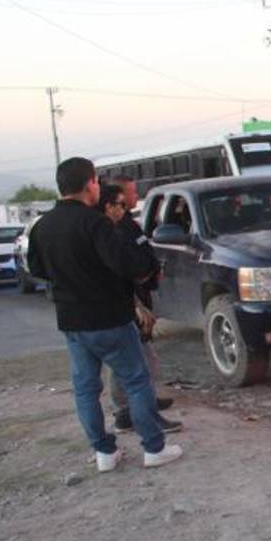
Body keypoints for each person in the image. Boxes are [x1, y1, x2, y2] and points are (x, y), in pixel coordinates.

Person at [28, 158, 183, 472]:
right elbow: (128, 264)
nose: (98, 187)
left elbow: (38, 270)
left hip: (72, 322)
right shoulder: (95, 223)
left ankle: (104, 454)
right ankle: (154, 448)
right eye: (97, 182)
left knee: (86, 389)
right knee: (137, 382)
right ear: (89, 184)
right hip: (109, 318)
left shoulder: (43, 226)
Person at [97, 181, 182, 434]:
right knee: (136, 364)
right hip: (125, 306)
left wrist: (152, 273)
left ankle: (141, 409)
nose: (132, 200)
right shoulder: (108, 232)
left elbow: (141, 256)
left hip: (137, 299)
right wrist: (135, 304)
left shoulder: (126, 225)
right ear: (109, 204)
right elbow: (119, 272)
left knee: (144, 360)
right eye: (126, 198)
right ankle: (133, 416)